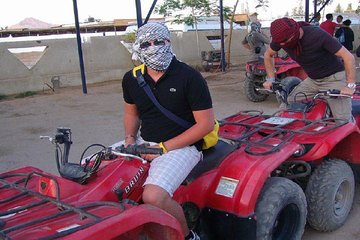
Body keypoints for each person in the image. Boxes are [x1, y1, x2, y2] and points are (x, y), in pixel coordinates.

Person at [122, 22, 215, 240]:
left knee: (154, 196)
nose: (153, 47)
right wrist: (129, 139)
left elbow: (205, 124)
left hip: (182, 146)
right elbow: (131, 114)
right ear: (138, 47)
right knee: (94, 169)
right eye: (146, 43)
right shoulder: (132, 78)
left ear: (168, 43)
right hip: (145, 141)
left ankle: (187, 236)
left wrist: (163, 149)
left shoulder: (189, 77)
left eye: (159, 42)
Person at [263, 17, 356, 123]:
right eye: (280, 43)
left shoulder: (316, 35)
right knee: (289, 102)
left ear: (294, 33)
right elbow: (268, 55)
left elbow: (348, 57)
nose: (283, 45)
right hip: (313, 80)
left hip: (334, 78)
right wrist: (270, 79)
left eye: (285, 41)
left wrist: (350, 86)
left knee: (342, 121)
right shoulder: (281, 40)